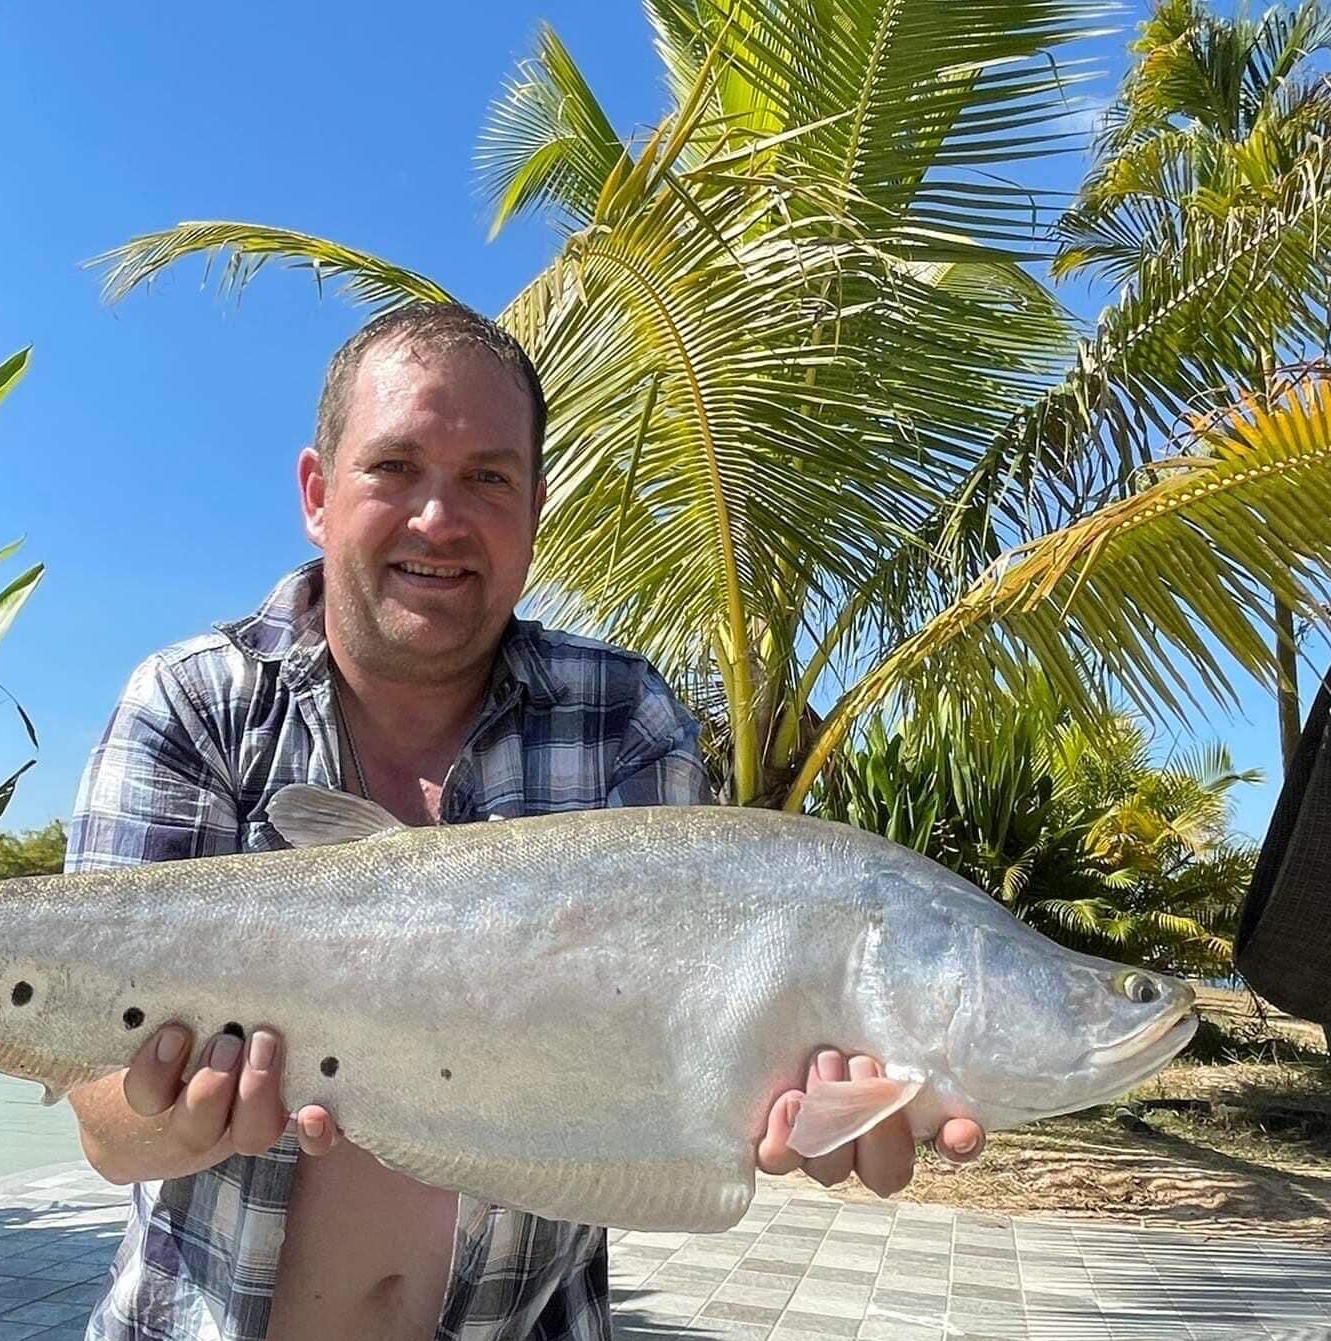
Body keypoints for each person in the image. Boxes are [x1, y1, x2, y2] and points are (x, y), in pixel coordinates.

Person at [65, 302, 986, 1341]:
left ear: (535, 510)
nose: (439, 519)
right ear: (318, 495)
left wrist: (811, 1106)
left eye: (487, 479)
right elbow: (102, 1122)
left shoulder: (621, 718)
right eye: (394, 468)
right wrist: (167, 1116)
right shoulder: (195, 704)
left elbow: (682, 1079)